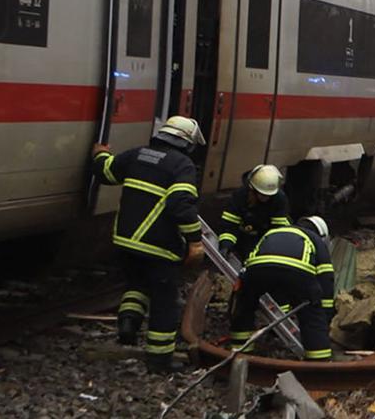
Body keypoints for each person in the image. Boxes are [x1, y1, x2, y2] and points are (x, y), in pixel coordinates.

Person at [91, 115, 206, 374]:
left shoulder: (137, 154)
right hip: (159, 246)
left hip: (126, 240)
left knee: (136, 285)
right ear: (187, 143)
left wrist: (99, 154)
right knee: (165, 302)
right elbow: (181, 205)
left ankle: (128, 322)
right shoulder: (182, 165)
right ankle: (159, 359)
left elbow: (106, 171)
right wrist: (195, 241)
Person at [229, 215, 336, 361]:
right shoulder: (315, 239)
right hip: (296, 271)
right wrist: (325, 315)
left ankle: (240, 352)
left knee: (245, 304)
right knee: (311, 315)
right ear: (321, 234)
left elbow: (254, 257)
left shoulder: (273, 232)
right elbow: (326, 279)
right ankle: (319, 360)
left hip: (257, 269)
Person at [217, 165, 292, 262]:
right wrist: (225, 245)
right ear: (253, 190)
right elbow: (229, 225)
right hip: (242, 235)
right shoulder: (240, 196)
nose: (266, 198)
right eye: (262, 195)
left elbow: (278, 230)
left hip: (264, 238)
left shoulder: (279, 199)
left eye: (268, 196)